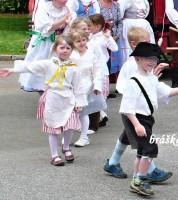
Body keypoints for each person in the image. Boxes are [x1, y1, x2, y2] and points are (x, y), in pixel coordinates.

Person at [119, 42, 178, 196]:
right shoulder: (133, 82)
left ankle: (136, 179)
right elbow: (127, 107)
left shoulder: (151, 78)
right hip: (136, 119)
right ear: (137, 59)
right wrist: (136, 125)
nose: (152, 62)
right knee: (151, 148)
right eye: (148, 58)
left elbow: (166, 92)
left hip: (147, 119)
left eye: (154, 59)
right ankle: (140, 180)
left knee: (142, 151)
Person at [0, 36, 87, 166]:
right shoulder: (48, 63)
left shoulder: (73, 67)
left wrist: (79, 102)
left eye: (68, 48)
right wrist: (12, 70)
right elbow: (31, 66)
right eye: (61, 47)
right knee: (53, 127)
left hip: (68, 99)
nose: (65, 50)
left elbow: (78, 85)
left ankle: (66, 147)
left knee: (69, 126)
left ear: (72, 50)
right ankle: (54, 155)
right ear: (55, 49)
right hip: (53, 98)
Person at [103, 27, 173, 183]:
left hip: (136, 109)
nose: (148, 45)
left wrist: (152, 77)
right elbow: (129, 86)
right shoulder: (131, 64)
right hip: (132, 110)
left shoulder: (142, 62)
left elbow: (146, 81)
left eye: (149, 41)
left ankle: (113, 162)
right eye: (145, 42)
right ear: (133, 44)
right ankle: (149, 171)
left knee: (127, 137)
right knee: (143, 143)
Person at [19, 0, 74, 92]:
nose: (66, 0)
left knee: (59, 69)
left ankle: (55, 94)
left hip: (60, 42)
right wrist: (64, 20)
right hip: (45, 42)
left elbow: (70, 27)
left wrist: (68, 25)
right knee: (42, 69)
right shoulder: (44, 8)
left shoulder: (67, 10)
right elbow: (47, 29)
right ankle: (44, 94)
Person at [69, 29, 106, 147]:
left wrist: (97, 85)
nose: (81, 43)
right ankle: (67, 135)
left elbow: (97, 71)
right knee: (69, 111)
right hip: (71, 85)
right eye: (78, 41)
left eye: (83, 40)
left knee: (83, 111)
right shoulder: (71, 54)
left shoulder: (91, 55)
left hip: (86, 85)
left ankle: (84, 137)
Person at [88, 14, 118, 129]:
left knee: (99, 95)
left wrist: (109, 37)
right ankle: (101, 116)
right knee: (92, 94)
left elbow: (114, 48)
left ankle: (99, 117)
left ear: (97, 26)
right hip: (91, 69)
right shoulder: (90, 37)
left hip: (101, 69)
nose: (88, 28)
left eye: (90, 25)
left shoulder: (103, 38)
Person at [117, 0, 155, 68]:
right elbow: (119, 15)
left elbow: (146, 13)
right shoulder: (124, 1)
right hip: (129, 26)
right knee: (130, 47)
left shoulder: (144, 1)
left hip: (143, 26)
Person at [98, 0, 123, 87]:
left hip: (115, 37)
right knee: (104, 60)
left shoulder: (116, 4)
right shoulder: (97, 4)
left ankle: (112, 87)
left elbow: (119, 21)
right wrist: (107, 36)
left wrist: (117, 35)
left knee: (116, 61)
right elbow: (97, 22)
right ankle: (104, 87)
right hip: (103, 36)